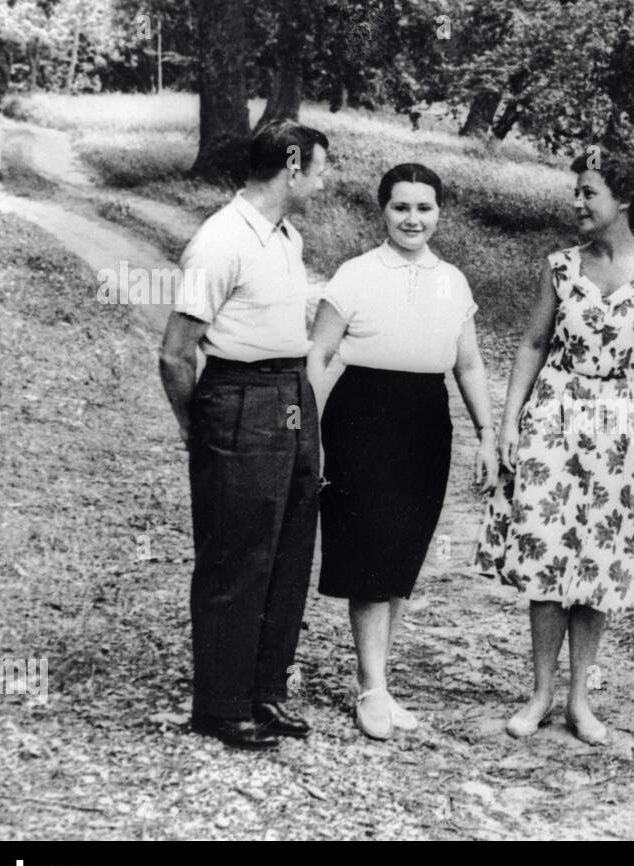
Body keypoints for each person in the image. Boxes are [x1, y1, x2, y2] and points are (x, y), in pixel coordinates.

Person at [475, 150, 634, 745]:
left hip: (623, 427)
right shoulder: (560, 267)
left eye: (588, 193)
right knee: (546, 560)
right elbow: (532, 343)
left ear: (623, 200)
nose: (577, 203)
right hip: (555, 417)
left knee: (598, 563)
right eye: (576, 192)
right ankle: (540, 693)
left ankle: (579, 700)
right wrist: (510, 421)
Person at [308, 163, 497, 741]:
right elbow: (317, 357)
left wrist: (488, 434)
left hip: (424, 418)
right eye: (400, 207)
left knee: (401, 552)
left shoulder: (453, 280)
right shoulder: (356, 274)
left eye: (424, 208)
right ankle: (370, 688)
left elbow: (466, 363)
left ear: (439, 212)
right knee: (367, 548)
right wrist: (308, 438)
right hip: (361, 415)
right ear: (382, 211)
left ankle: (380, 684)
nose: (413, 219)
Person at [159, 120, 331, 750]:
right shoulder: (220, 241)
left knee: (288, 551)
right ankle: (221, 703)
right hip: (239, 397)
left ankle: (264, 689)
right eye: (319, 165)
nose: (323, 176)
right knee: (238, 554)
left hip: (290, 396)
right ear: (292, 163)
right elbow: (176, 354)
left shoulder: (287, 235)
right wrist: (197, 428)